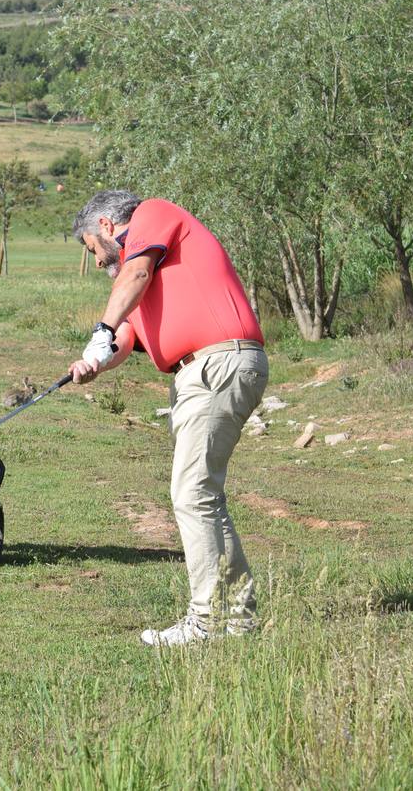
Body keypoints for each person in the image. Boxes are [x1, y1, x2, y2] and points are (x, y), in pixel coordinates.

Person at [69, 190, 267, 646]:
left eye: (92, 250)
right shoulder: (144, 282)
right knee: (200, 495)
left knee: (192, 493)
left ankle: (208, 622)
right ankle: (235, 619)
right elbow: (125, 336)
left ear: (105, 225)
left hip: (217, 364)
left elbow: (133, 273)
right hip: (199, 374)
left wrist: (100, 331)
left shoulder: (152, 215)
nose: (98, 263)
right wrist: (93, 361)